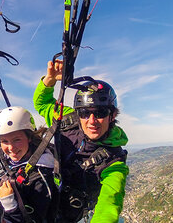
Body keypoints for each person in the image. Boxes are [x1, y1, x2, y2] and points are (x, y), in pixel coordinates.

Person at [33, 60, 129, 223]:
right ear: (78, 113)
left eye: (100, 112)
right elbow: (42, 103)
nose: (92, 121)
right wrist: (49, 80)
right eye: (85, 112)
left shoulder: (113, 161)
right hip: (40, 196)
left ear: (112, 116)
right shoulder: (67, 120)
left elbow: (109, 204)